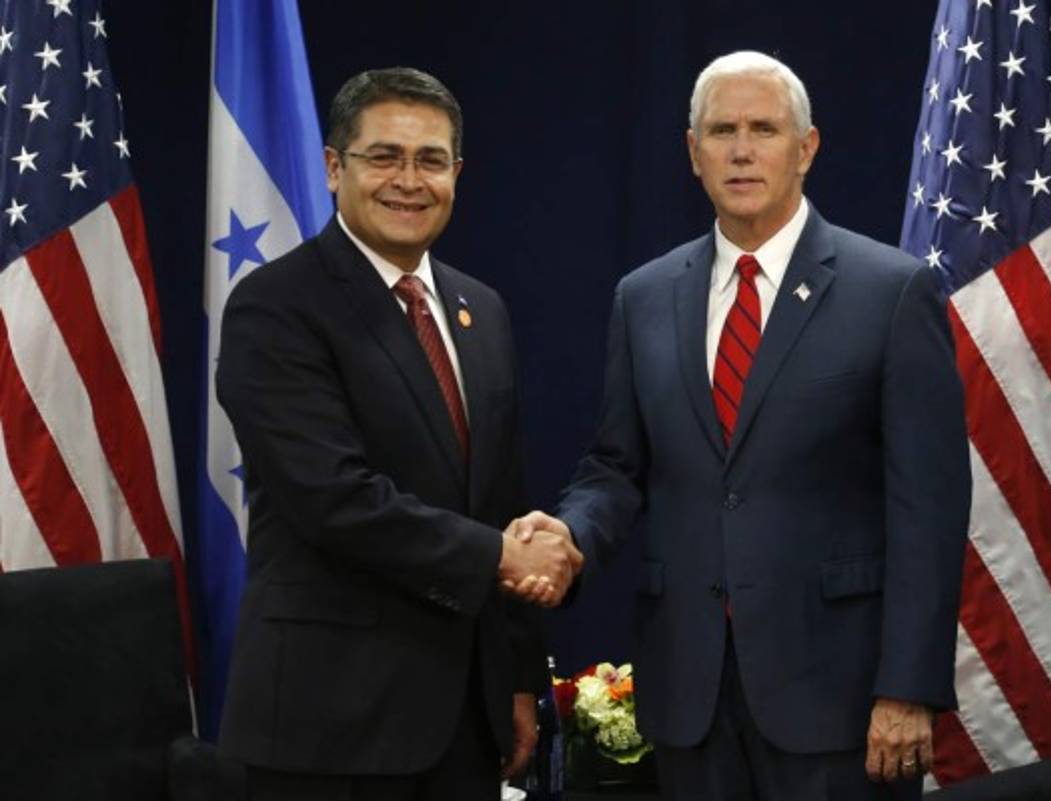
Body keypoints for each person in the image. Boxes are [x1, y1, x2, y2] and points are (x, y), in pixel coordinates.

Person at [513, 51, 970, 799]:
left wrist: (908, 687)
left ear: (807, 148)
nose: (742, 148)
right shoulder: (644, 295)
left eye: (764, 128)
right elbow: (615, 466)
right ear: (694, 154)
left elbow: (930, 505)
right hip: (688, 689)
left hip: (842, 695)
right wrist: (570, 538)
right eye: (722, 130)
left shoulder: (891, 291)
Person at [216, 67, 581, 801]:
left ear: (457, 173)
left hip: (462, 726)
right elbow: (333, 498)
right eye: (384, 156)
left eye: (431, 160)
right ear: (332, 168)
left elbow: (498, 496)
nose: (408, 180)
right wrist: (503, 557)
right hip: (329, 728)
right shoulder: (277, 305)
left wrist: (514, 679)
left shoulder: (483, 310)